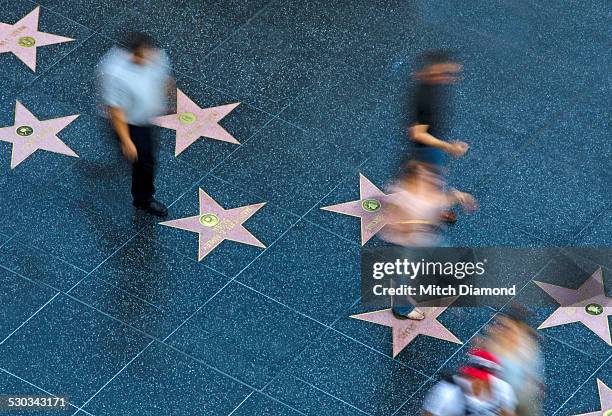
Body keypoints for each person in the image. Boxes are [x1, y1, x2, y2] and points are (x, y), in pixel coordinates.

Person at [380, 161, 477, 320]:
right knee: (404, 278)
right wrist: (407, 225)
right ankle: (402, 308)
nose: (428, 180)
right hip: (407, 245)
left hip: (429, 237)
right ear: (410, 179)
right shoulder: (400, 197)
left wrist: (459, 196)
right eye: (421, 177)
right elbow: (395, 223)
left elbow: (439, 200)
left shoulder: (426, 188)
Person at [98, 32, 173, 217]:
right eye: (141, 56)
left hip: (146, 116)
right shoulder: (115, 73)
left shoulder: (157, 56)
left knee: (142, 156)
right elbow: (116, 110)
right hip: (131, 122)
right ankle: (143, 199)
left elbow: (165, 79)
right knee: (145, 162)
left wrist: (168, 97)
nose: (148, 59)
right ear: (130, 54)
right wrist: (126, 140)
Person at [406, 49, 468, 223]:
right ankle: (431, 210)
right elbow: (418, 134)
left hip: (430, 146)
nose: (450, 78)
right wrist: (449, 147)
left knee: (434, 177)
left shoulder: (430, 87)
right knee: (432, 178)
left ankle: (434, 206)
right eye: (446, 72)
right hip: (427, 148)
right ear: (433, 70)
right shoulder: (424, 97)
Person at [481, 307, 545, 416]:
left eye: (506, 327)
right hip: (504, 398)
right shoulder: (493, 347)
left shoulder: (527, 344)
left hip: (524, 396)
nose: (501, 329)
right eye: (499, 325)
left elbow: (531, 369)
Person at [422, 349, 517, 416]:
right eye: (471, 375)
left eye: (481, 378)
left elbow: (508, 413)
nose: (474, 380)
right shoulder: (447, 393)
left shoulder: (503, 389)